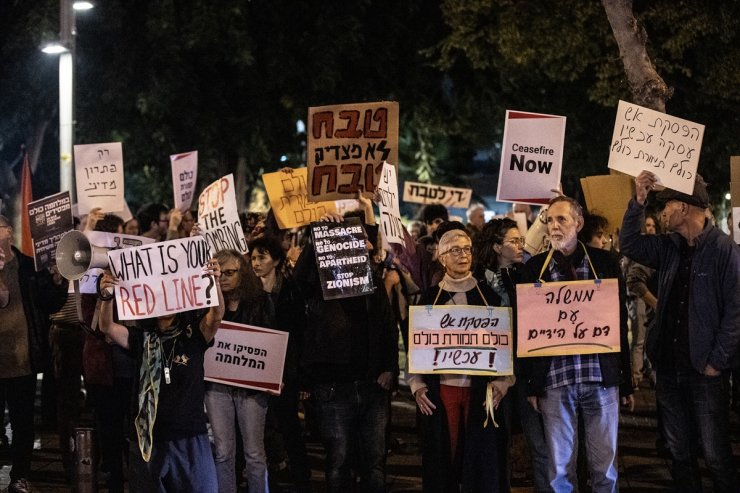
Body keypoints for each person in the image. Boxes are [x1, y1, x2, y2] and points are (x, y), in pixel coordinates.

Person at [621, 171, 740, 491]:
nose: (662, 212)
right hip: (670, 369)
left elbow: (736, 313)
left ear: (685, 208)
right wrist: (638, 200)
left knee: (715, 455)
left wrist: (717, 362)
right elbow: (629, 243)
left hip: (705, 372)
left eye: (668, 204)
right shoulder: (669, 246)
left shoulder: (724, 251)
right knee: (679, 453)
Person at [520, 196, 634, 492]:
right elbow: (527, 330)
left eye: (562, 219)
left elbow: (619, 322)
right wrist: (532, 385)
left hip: (600, 379)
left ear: (578, 223)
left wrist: (626, 381)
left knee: (605, 468)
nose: (554, 226)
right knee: (559, 472)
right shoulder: (533, 269)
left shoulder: (605, 263)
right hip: (555, 381)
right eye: (549, 220)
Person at [293, 195, 398, 493]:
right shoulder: (319, 282)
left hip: (372, 383)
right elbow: (299, 282)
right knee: (338, 460)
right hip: (333, 386)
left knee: (375, 460)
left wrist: (390, 368)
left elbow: (388, 327)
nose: (364, 245)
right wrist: (317, 238)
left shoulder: (373, 282)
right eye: (357, 239)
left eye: (365, 240)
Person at [98, 258, 224, 492]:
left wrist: (214, 283)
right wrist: (105, 296)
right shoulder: (140, 337)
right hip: (149, 440)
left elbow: (215, 316)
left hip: (189, 437)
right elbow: (107, 327)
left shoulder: (193, 336)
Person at [410, 229, 513, 493]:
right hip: (441, 391)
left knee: (479, 459)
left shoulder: (488, 297)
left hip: (480, 392)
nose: (462, 255)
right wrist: (417, 385)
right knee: (445, 457)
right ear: (442, 258)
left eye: (467, 249)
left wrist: (502, 383)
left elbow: (504, 346)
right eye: (455, 250)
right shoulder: (430, 299)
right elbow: (417, 346)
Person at [474, 218, 551, 492]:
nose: (520, 246)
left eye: (521, 240)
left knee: (539, 440)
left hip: (524, 367)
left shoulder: (526, 275)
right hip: (492, 370)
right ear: (496, 246)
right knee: (497, 439)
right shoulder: (476, 280)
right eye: (514, 241)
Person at [0, 215, 68, 493]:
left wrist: (56, 280)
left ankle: (20, 475)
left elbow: (49, 303)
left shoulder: (28, 267)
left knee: (22, 423)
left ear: (9, 233)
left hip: (22, 361)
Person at [203, 249, 270, 493]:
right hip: (217, 387)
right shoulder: (205, 304)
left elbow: (271, 346)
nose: (223, 278)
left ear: (242, 274)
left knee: (254, 453)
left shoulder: (260, 302)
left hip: (252, 389)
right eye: (219, 273)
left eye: (229, 273)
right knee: (223, 452)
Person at [250, 236, 311, 492]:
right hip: (253, 369)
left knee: (288, 425)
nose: (255, 263)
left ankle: (301, 478)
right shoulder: (247, 293)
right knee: (259, 429)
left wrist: (299, 375)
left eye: (261, 257)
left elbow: (301, 334)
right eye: (252, 258)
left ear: (275, 260)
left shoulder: (290, 291)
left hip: (286, 371)